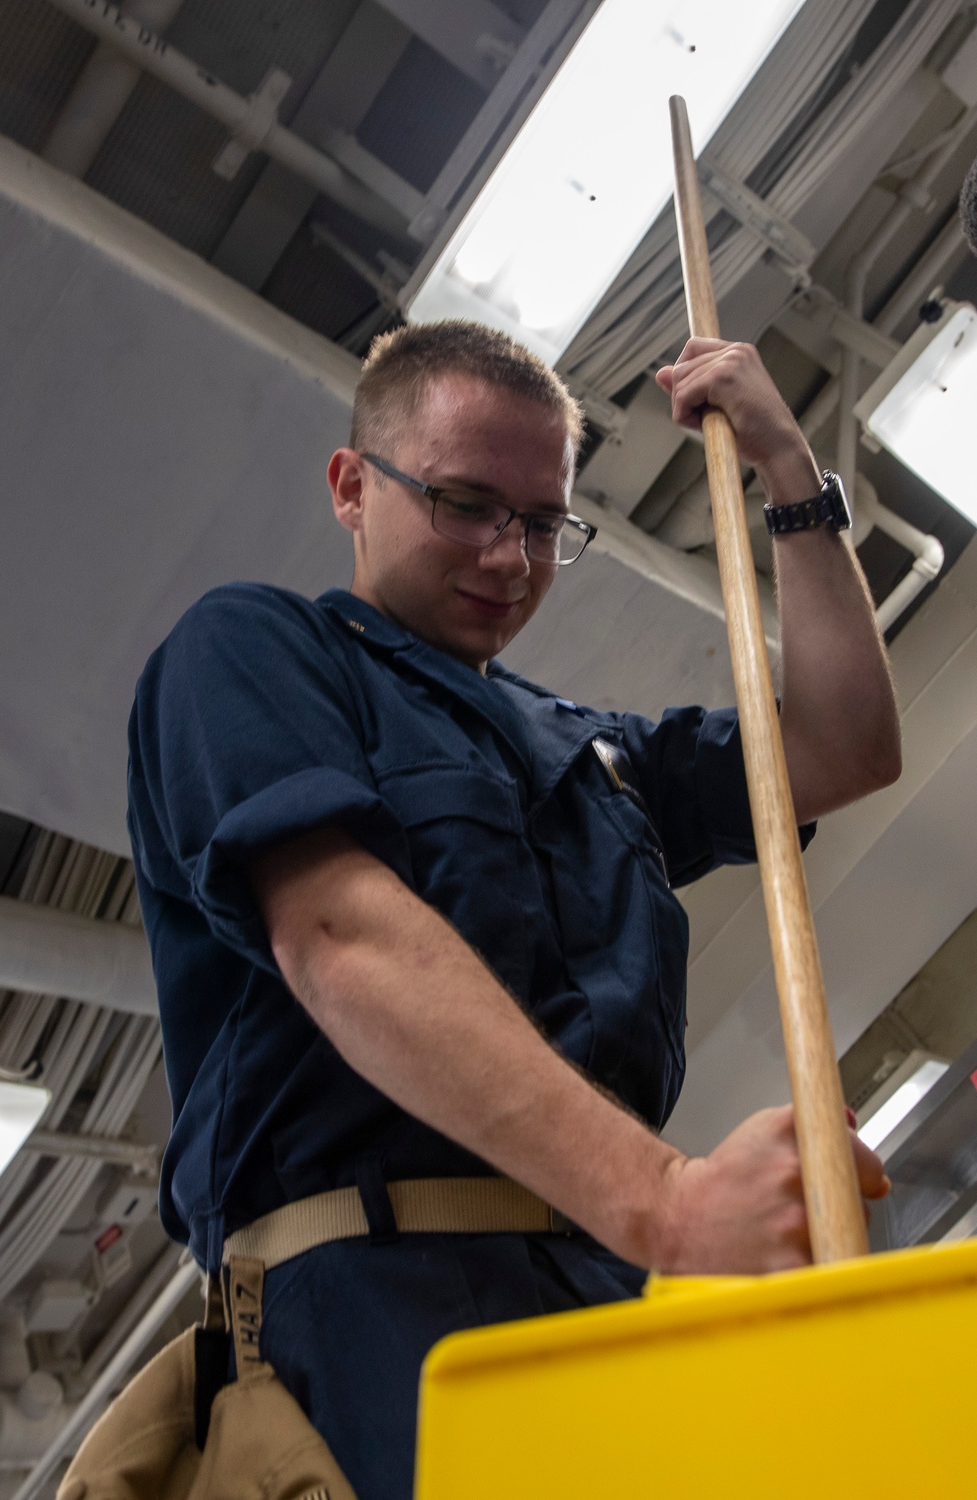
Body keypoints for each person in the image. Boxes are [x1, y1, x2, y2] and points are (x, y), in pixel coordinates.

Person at [128, 320, 899, 1500]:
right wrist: (665, 1200)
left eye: (543, 525)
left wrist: (790, 472)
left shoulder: (591, 751)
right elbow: (340, 937)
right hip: (382, 1296)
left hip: (605, 1282)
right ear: (352, 486)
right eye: (463, 503)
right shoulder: (254, 650)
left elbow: (842, 749)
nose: (508, 557)